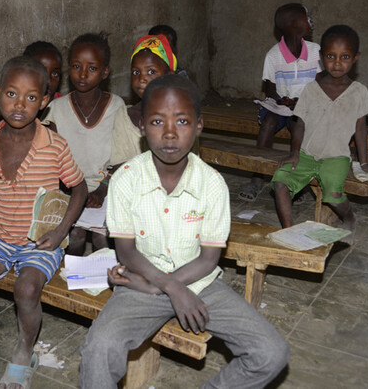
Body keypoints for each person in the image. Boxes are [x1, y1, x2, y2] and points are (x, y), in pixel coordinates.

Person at [80, 74, 290, 389]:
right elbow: (126, 252)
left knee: (271, 352)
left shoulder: (212, 184)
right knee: (99, 349)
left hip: (197, 281)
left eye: (181, 121)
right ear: (141, 127)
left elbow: (208, 260)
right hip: (142, 277)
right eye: (156, 121)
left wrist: (161, 287)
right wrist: (169, 289)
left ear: (199, 125)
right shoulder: (125, 179)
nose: (168, 133)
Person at [0, 56, 87, 389]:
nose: (19, 104)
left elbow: (79, 188)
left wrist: (60, 231)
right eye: (11, 94)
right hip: (0, 237)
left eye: (31, 97)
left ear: (45, 101)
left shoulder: (54, 146)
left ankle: (24, 351)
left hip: (40, 241)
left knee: (26, 290)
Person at [272, 25, 368, 238]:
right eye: (331, 56)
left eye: (345, 57)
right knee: (280, 184)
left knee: (333, 196)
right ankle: (290, 233)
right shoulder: (311, 89)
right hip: (306, 154)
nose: (337, 62)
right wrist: (295, 152)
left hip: (336, 158)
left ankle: (349, 217)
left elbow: (361, 129)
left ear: (355, 58)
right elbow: (300, 123)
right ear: (321, 57)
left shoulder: (359, 92)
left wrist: (364, 163)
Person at [45, 32, 132, 255]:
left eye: (92, 68)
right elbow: (50, 159)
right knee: (75, 236)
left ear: (105, 72)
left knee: (102, 238)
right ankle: (68, 284)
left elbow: (125, 160)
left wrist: (102, 191)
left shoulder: (116, 107)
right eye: (76, 66)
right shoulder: (56, 109)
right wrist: (69, 191)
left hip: (108, 189)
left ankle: (105, 286)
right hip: (69, 190)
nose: (82, 74)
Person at [239, 3, 321, 203]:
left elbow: (320, 82)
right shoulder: (274, 55)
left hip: (305, 107)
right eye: (306, 17)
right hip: (279, 105)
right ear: (294, 25)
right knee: (268, 124)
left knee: (298, 127)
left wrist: (302, 102)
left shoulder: (315, 51)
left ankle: (294, 181)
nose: (311, 21)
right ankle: (257, 177)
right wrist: (283, 100)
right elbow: (269, 87)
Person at [111, 34, 176, 165]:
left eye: (151, 72)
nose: (142, 79)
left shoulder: (182, 118)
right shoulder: (124, 117)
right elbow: (119, 166)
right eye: (136, 72)